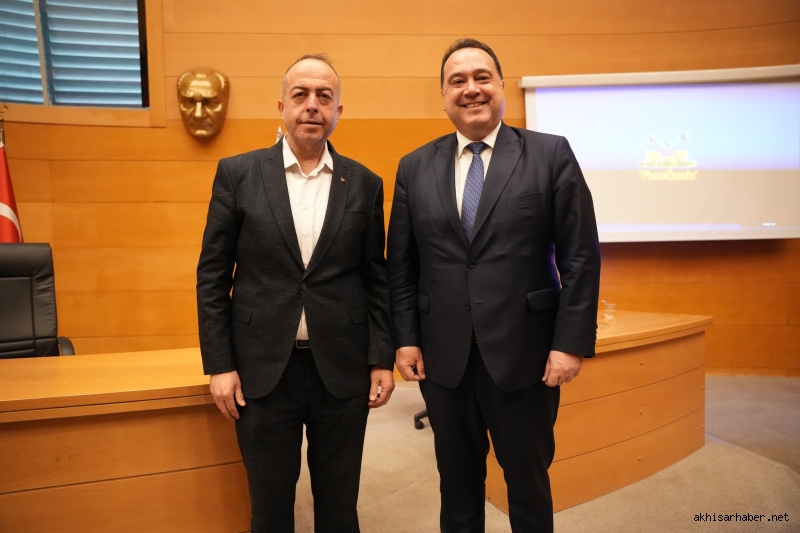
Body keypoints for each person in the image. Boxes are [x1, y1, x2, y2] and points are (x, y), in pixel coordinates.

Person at [387, 39, 601, 532]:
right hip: (444, 360)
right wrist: (405, 338)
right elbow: (401, 265)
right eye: (457, 81)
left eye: (482, 77)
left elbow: (580, 256)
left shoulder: (550, 153)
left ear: (502, 86)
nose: (471, 89)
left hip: (527, 357)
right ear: (443, 96)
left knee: (528, 487)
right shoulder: (414, 166)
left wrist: (570, 343)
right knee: (457, 489)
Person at [196, 53, 395, 533]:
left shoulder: (365, 183)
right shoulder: (238, 174)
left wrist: (380, 358)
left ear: (338, 111)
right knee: (270, 507)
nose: (312, 105)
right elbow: (212, 276)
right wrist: (220, 365)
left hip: (341, 369)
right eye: (301, 95)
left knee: (339, 506)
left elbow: (375, 278)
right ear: (282, 106)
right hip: (262, 370)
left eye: (324, 97)